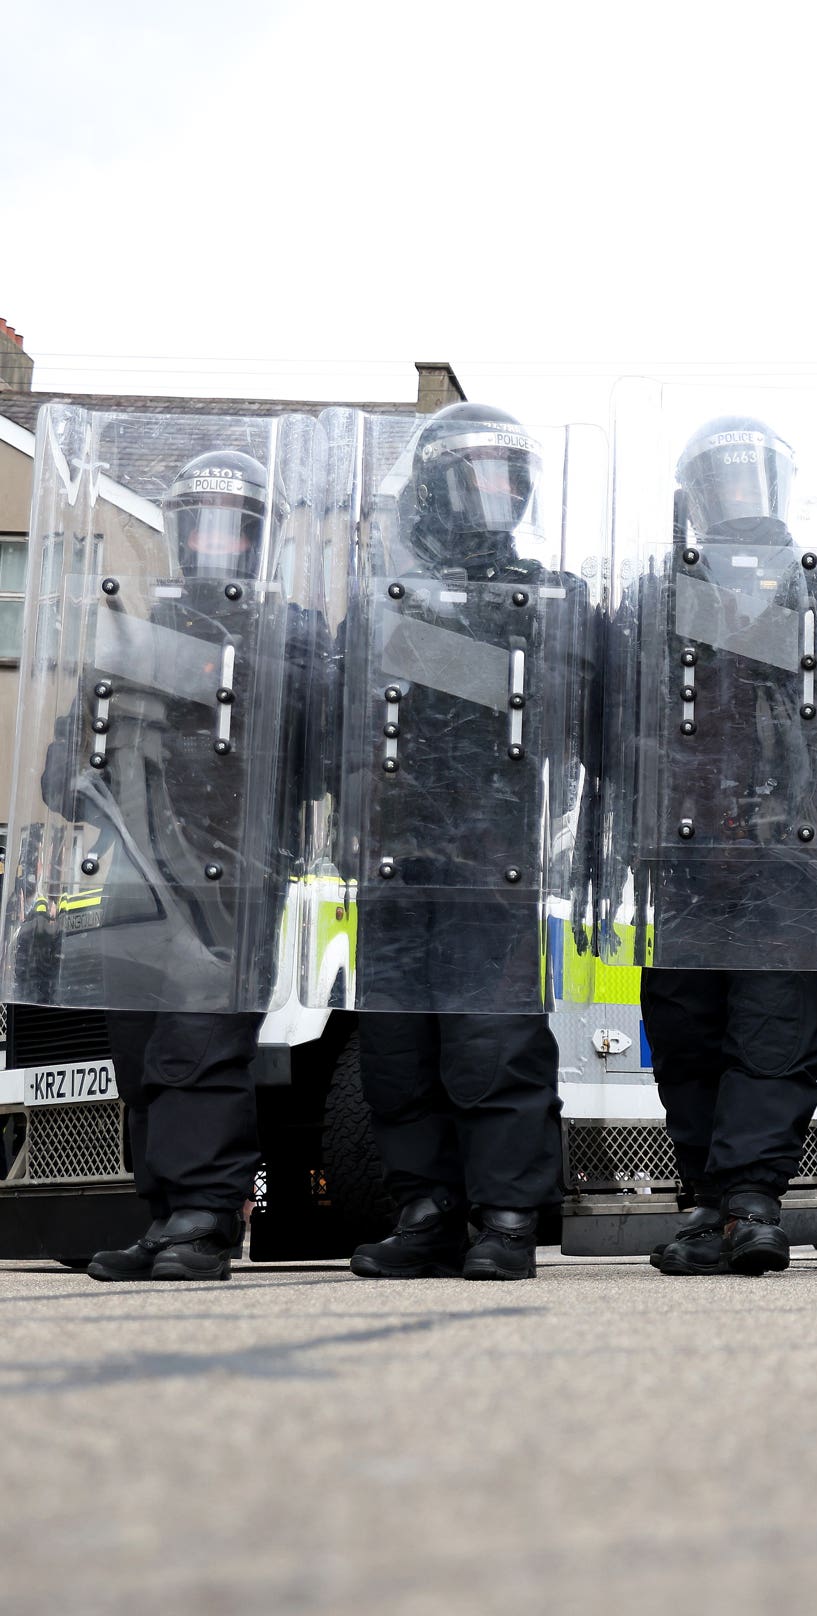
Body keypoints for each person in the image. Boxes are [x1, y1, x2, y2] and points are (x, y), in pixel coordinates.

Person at [39, 437, 318, 1281]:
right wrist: (95, 768)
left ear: (258, 540)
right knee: (139, 1053)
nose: (215, 545)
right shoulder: (136, 634)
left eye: (235, 529)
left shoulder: (288, 635)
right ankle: (165, 1212)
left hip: (233, 877)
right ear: (179, 532)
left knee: (199, 1044)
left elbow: (314, 758)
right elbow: (64, 765)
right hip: (132, 880)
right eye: (203, 527)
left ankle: (205, 1216)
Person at [614, 416, 817, 1277]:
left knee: (773, 1035)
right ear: (694, 494)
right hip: (683, 855)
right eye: (721, 479)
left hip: (791, 859)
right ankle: (707, 1202)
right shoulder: (653, 593)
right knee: (687, 1033)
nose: (739, 494)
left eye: (751, 476)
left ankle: (752, 1201)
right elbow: (614, 722)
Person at [342, 403, 600, 1282]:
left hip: (495, 862)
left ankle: (504, 1220)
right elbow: (333, 728)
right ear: (433, 490)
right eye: (474, 474)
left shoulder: (554, 599)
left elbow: (570, 713)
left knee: (493, 1050)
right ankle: (427, 1211)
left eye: (506, 476)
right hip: (391, 859)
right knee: (397, 1051)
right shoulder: (377, 599)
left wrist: (428, 643)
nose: (493, 494)